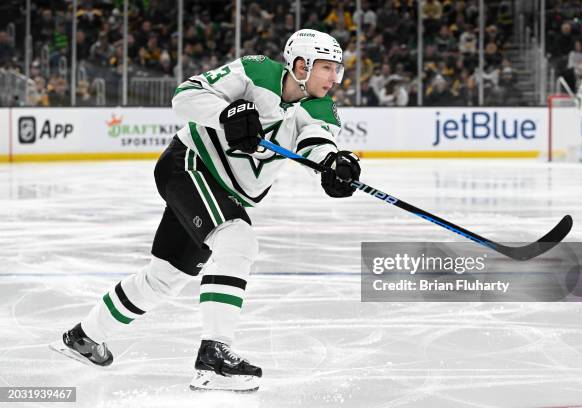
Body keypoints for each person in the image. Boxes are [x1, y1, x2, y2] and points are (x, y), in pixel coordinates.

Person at [51, 29, 361, 392]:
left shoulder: (321, 107)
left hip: (218, 191)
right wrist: (228, 113)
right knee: (238, 240)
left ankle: (83, 338)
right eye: (326, 67)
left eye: (336, 70)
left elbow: (317, 143)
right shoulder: (256, 71)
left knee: (162, 280)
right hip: (188, 167)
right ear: (299, 64)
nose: (333, 77)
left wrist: (335, 164)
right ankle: (213, 357)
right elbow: (186, 96)